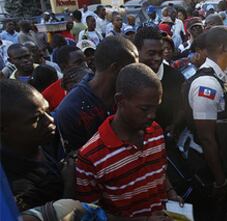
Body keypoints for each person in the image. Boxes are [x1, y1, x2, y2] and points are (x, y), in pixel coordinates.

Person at [75, 63, 181, 219]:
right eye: (145, 109)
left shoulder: (156, 131)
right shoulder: (90, 156)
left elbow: (159, 171)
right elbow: (92, 214)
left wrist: (171, 193)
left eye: (156, 108)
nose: (152, 116)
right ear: (120, 100)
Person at [182, 26, 227, 221]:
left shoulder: (222, 76)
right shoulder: (207, 84)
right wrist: (220, 180)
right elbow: (207, 138)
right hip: (208, 169)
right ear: (223, 48)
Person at [55, 36, 139, 152]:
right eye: (132, 68)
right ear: (114, 68)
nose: (136, 74)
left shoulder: (129, 94)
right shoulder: (71, 110)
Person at [0, 80, 63, 211]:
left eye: (47, 110)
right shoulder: (10, 185)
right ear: (3, 129)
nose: (50, 120)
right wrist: (69, 184)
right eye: (36, 119)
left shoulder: (43, 138)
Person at [134, 26, 185, 133]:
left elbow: (182, 109)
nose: (157, 58)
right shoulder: (127, 77)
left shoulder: (176, 78)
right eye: (151, 53)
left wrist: (175, 125)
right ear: (137, 51)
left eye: (160, 53)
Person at [42, 45, 88, 111]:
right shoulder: (48, 94)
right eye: (79, 62)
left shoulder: (95, 83)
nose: (85, 65)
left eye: (85, 61)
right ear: (63, 66)